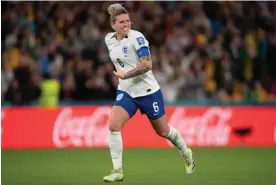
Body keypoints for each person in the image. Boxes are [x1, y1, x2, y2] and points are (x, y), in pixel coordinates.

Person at [103, 3, 195, 183]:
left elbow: (147, 65)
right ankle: (117, 171)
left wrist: (125, 74)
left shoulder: (137, 38)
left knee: (163, 131)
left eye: (128, 21)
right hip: (127, 91)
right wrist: (114, 8)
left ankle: (186, 152)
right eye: (121, 22)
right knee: (114, 125)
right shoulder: (109, 39)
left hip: (148, 92)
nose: (126, 24)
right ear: (113, 25)